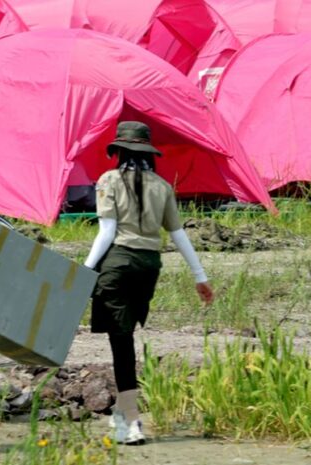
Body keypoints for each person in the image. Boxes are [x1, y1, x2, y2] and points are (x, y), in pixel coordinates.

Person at [83, 121, 215, 445]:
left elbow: (107, 232)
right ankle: (126, 418)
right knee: (124, 340)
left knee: (121, 344)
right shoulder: (162, 186)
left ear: (119, 151)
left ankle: (130, 422)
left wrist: (85, 270)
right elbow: (178, 234)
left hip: (118, 264)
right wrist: (200, 276)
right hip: (149, 266)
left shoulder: (109, 180)